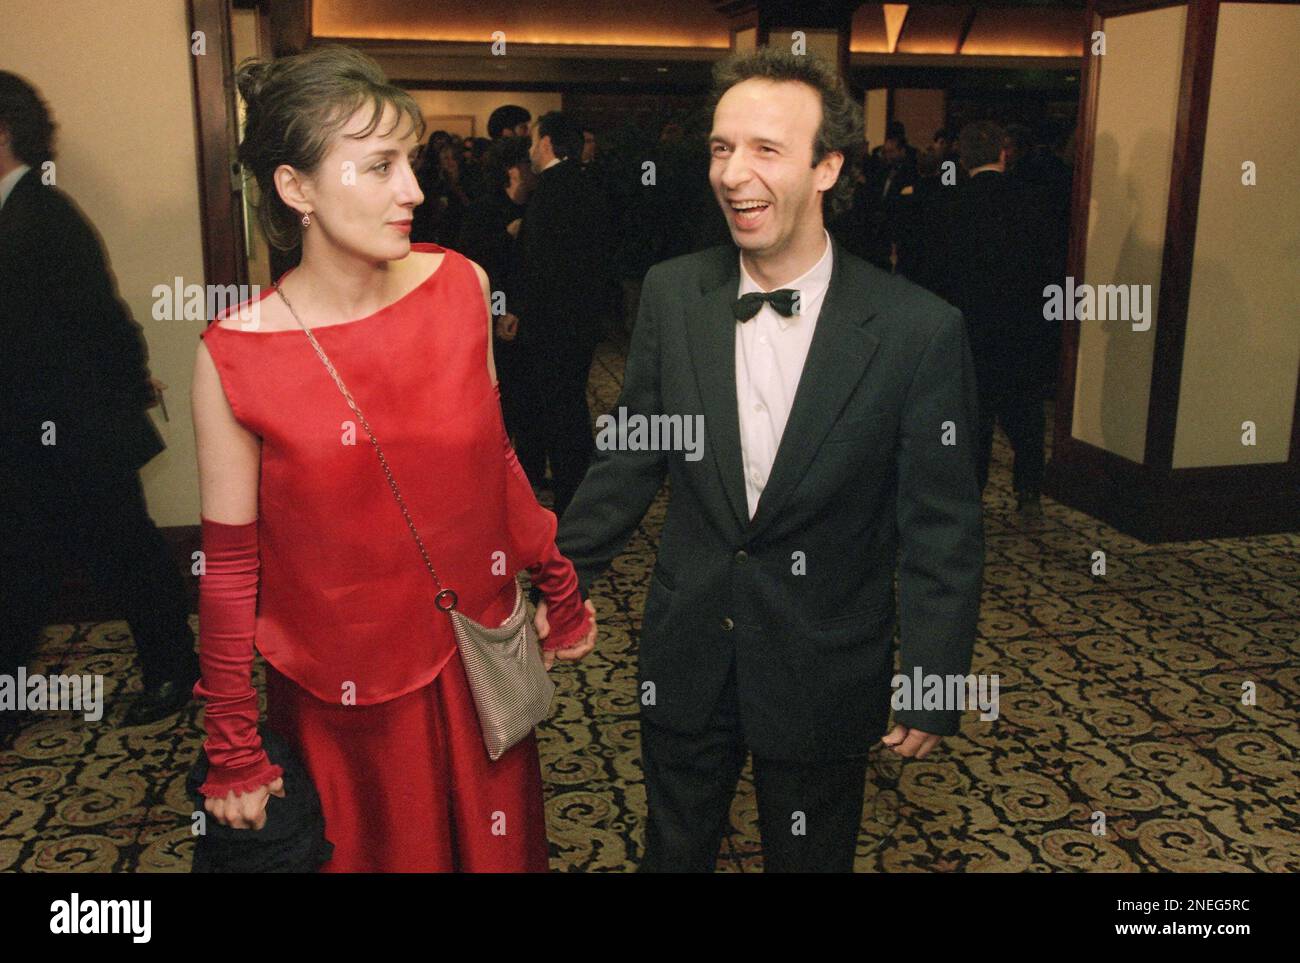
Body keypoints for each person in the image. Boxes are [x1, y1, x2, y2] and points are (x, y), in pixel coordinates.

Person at [549, 48, 985, 872]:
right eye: (722, 147)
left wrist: (935, 674)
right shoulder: (674, 293)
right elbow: (634, 451)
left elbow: (942, 528)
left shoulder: (918, 330)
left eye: (766, 150)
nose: (733, 173)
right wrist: (562, 574)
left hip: (825, 660)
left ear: (828, 166)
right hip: (686, 649)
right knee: (672, 852)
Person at [191, 44, 596, 871]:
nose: (413, 190)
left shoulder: (460, 287)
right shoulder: (235, 354)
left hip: (478, 660)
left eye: (408, 162)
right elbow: (230, 571)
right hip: (344, 700)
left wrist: (555, 575)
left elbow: (496, 461)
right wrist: (232, 742)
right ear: (294, 187)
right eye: (378, 166)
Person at [0, 71, 198, 749]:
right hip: (41, 435)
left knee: (128, 558)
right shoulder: (18, 214)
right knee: (26, 568)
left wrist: (125, 389)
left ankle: (177, 672)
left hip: (76, 435)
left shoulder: (44, 216)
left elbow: (101, 321)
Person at [909, 120, 1052, 512]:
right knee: (1025, 413)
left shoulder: (947, 203)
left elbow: (932, 271)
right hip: (1021, 327)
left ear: (963, 156)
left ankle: (971, 490)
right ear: (1005, 154)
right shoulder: (1036, 201)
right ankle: (1028, 490)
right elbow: (1050, 270)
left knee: (973, 418)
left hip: (967, 327)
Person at [509, 111, 618, 518]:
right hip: (582, 316)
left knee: (561, 408)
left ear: (549, 143)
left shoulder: (553, 188)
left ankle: (574, 492)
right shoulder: (587, 184)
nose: (530, 151)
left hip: (554, 321)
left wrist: (521, 312)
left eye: (534, 141)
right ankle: (576, 486)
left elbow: (542, 263)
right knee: (568, 403)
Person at [456, 136, 536, 467]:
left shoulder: (536, 206)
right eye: (528, 163)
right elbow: (475, 266)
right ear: (514, 169)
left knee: (528, 403)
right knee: (498, 400)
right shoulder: (484, 210)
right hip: (492, 318)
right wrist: (500, 313)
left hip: (528, 316)